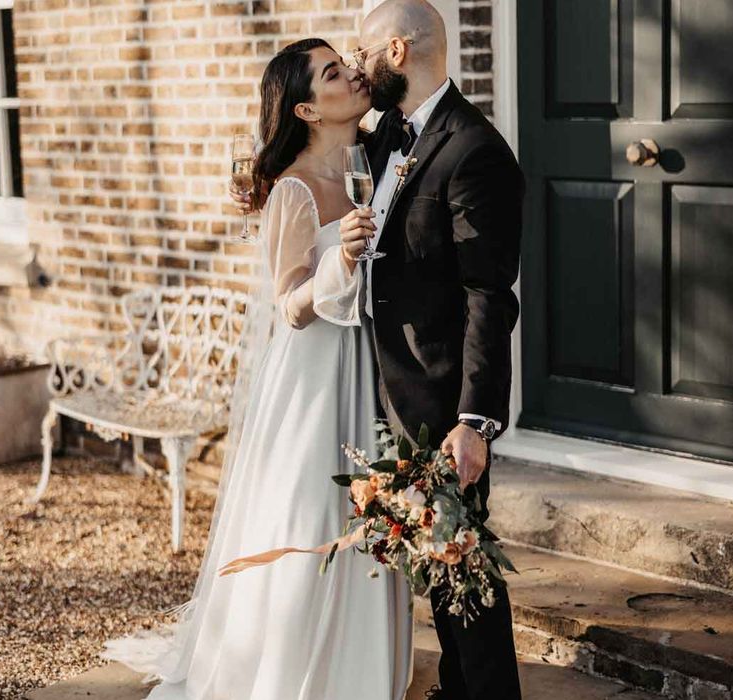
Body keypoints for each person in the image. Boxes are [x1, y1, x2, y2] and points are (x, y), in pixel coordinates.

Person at [101, 38, 413, 700]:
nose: (352, 75)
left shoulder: (374, 157)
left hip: (369, 369)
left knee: (368, 515)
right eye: (334, 72)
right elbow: (291, 306)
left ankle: (361, 667)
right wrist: (341, 263)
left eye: (346, 63)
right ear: (305, 108)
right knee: (310, 517)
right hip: (314, 381)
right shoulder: (294, 192)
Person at [233, 2, 525, 698]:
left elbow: (489, 292)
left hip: (436, 394)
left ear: (394, 51)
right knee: (422, 562)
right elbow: (307, 217)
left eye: (358, 54)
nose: (355, 69)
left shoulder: (475, 151)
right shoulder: (384, 133)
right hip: (368, 390)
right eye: (339, 67)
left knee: (462, 565)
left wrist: (475, 419)